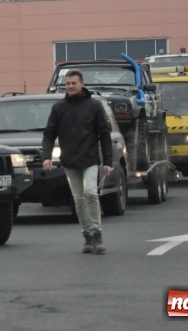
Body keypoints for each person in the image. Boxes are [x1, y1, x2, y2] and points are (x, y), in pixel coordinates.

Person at [41, 69, 113, 254]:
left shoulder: (94, 106)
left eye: (74, 83)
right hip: (69, 161)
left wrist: (107, 161)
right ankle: (87, 236)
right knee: (79, 200)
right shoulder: (59, 108)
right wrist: (46, 157)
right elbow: (49, 134)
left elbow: (104, 135)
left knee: (91, 193)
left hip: (89, 159)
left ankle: (97, 233)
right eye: (68, 84)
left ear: (82, 84)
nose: (71, 86)